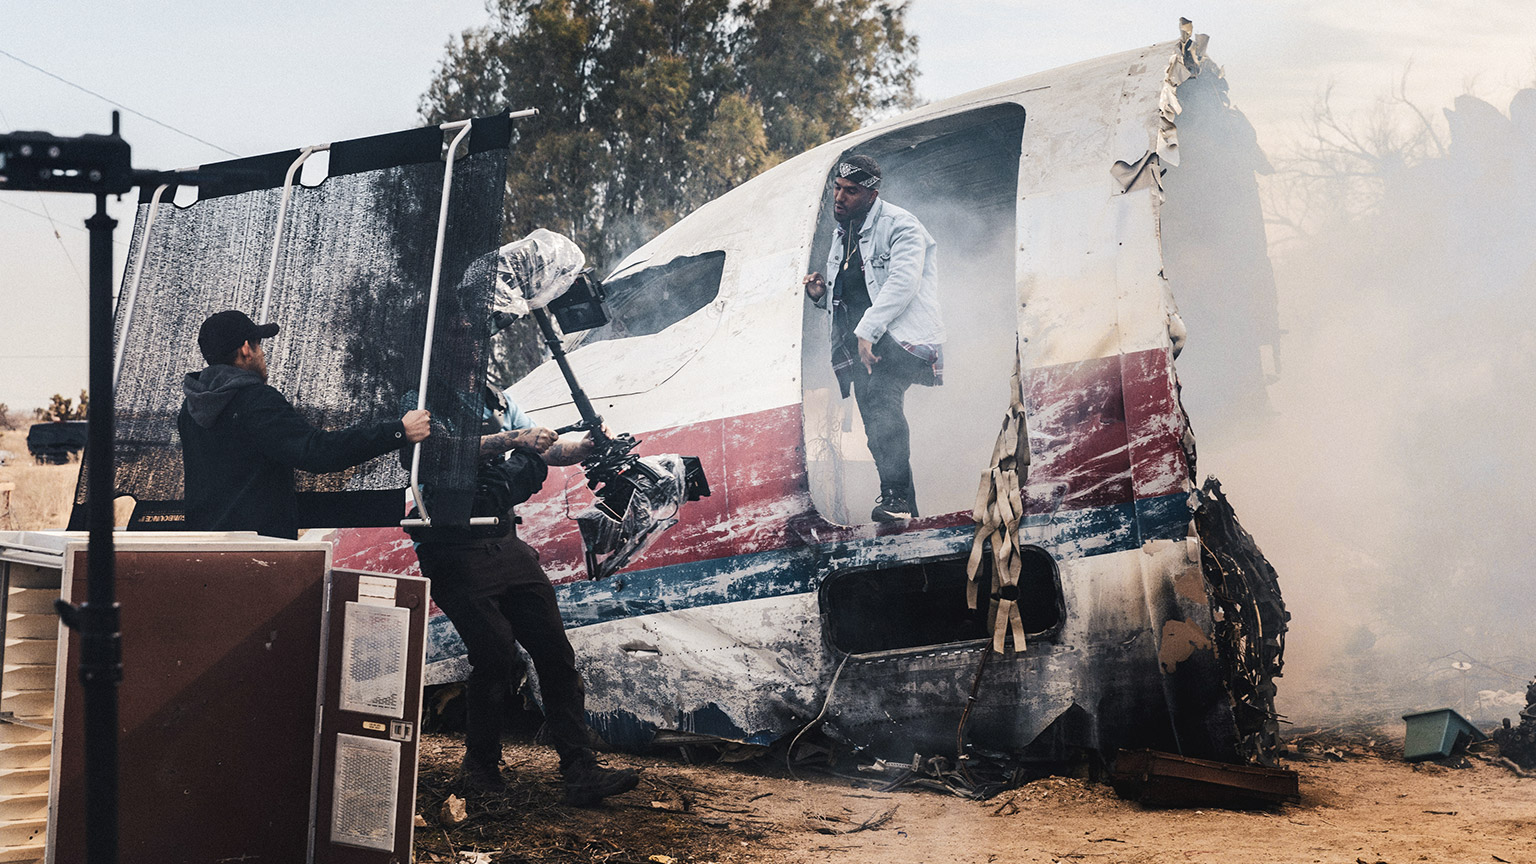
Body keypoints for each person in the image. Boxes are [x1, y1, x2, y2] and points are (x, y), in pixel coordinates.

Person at [408, 385, 640, 806]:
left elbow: (546, 447)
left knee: (554, 651)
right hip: (451, 546)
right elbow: (437, 453)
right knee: (495, 655)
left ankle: (580, 771)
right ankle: (480, 771)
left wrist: (584, 446)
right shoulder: (422, 389)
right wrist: (514, 441)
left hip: (502, 538)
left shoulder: (493, 396)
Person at [179, 309, 432, 539]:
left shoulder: (191, 409)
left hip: (203, 548)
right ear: (246, 349)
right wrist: (399, 432)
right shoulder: (254, 401)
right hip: (255, 552)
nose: (263, 353)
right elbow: (318, 452)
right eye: (259, 345)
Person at [803, 154, 944, 522]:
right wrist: (820, 295)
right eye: (837, 188)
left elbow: (903, 282)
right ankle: (904, 509)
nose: (839, 197)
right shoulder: (842, 234)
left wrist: (867, 330)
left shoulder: (902, 225)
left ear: (871, 194)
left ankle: (895, 499)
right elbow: (848, 294)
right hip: (862, 346)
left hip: (898, 339)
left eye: (850, 191)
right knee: (876, 428)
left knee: (882, 405)